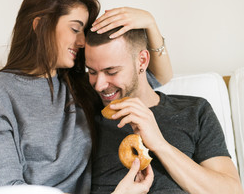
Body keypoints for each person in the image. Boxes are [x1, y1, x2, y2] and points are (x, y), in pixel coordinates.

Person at [0, 0, 169, 194]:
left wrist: (149, 22)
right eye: (75, 28)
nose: (82, 41)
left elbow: (159, 76)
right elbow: (6, 185)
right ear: (40, 25)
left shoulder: (86, 84)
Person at [85, 27, 243, 193]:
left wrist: (159, 144)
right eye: (92, 71)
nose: (99, 84)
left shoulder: (193, 111)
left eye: (111, 71)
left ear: (142, 61)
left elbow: (232, 191)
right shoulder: (85, 119)